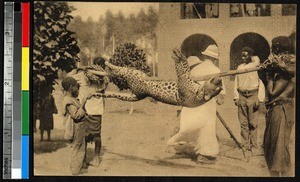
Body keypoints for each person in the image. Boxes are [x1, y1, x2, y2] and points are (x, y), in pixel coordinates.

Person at [168, 44, 225, 164]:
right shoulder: (216, 70)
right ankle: (205, 154)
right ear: (215, 59)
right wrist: (220, 99)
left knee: (198, 125)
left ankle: (196, 148)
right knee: (207, 128)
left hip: (195, 101)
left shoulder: (196, 69)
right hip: (208, 102)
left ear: (205, 56)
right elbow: (220, 91)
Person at [259, 36, 295, 177]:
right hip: (275, 110)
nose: (273, 50)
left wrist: (268, 75)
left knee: (279, 149)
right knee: (271, 147)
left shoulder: (288, 66)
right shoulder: (282, 68)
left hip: (282, 110)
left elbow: (273, 92)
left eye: (275, 47)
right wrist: (263, 72)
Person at [69, 57, 109, 167]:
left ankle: (84, 159)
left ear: (93, 64)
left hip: (84, 109)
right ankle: (96, 159)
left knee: (84, 136)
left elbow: (68, 78)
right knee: (97, 135)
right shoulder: (104, 79)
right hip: (97, 110)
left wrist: (79, 69)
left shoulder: (82, 76)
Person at [233, 46, 265, 155]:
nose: (243, 57)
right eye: (242, 55)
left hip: (253, 95)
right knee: (243, 123)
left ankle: (254, 146)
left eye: (245, 55)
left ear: (250, 56)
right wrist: (236, 97)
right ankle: (245, 146)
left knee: (253, 123)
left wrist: (259, 99)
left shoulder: (255, 65)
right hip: (242, 95)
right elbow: (236, 83)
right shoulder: (239, 67)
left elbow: (261, 83)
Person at [62, 76, 88, 175]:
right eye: (77, 87)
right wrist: (83, 102)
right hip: (76, 128)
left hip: (79, 127)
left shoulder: (71, 98)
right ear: (71, 87)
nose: (78, 89)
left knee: (79, 147)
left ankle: (77, 169)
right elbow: (76, 115)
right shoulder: (68, 101)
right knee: (78, 148)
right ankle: (75, 171)